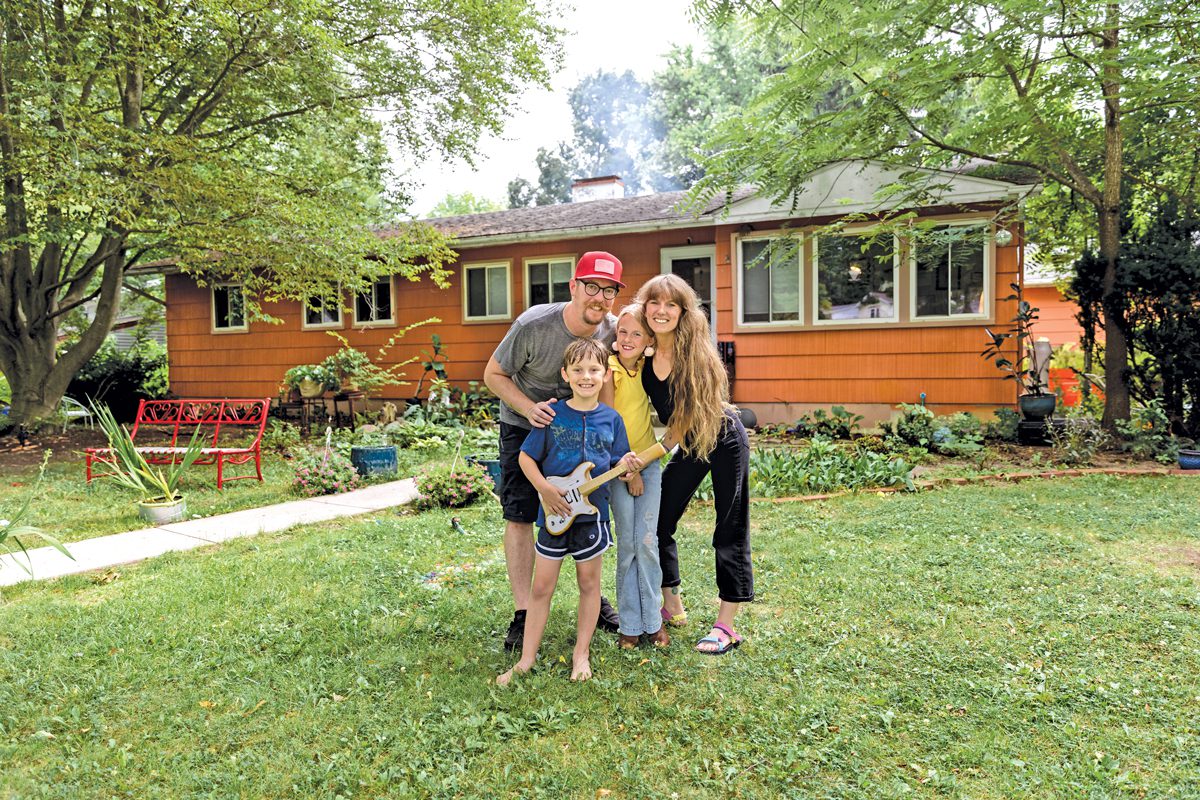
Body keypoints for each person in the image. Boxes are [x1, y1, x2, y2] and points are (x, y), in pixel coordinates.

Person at [483, 251, 625, 652]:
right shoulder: (534, 325)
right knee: (521, 513)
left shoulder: (612, 330)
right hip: (525, 425)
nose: (599, 298)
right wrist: (528, 409)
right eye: (592, 287)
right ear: (574, 287)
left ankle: (593, 599)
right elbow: (493, 374)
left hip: (580, 433)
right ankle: (523, 612)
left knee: (588, 509)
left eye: (609, 290)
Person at [496, 338, 638, 684]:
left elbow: (619, 459)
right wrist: (545, 490)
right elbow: (526, 457)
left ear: (605, 375)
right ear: (566, 373)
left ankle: (581, 654)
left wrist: (629, 466)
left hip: (592, 516)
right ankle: (526, 659)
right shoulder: (553, 414)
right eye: (578, 370)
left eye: (594, 370)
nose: (586, 376)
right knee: (541, 587)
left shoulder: (612, 419)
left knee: (589, 585)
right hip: (553, 516)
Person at [634, 274, 753, 655]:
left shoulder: (694, 356)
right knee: (658, 519)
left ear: (684, 312)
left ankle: (726, 626)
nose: (662, 311)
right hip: (691, 443)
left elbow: (674, 431)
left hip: (723, 437)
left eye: (672, 304)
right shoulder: (645, 355)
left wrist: (641, 460)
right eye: (655, 302)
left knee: (729, 527)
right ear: (645, 307)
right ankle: (672, 605)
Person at [599, 303, 669, 649]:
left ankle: (653, 621)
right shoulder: (608, 370)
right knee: (627, 544)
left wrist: (642, 466)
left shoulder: (647, 368)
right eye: (622, 332)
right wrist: (630, 471)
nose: (627, 339)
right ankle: (629, 623)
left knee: (647, 541)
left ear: (648, 340)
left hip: (649, 462)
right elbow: (610, 424)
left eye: (636, 334)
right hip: (618, 465)